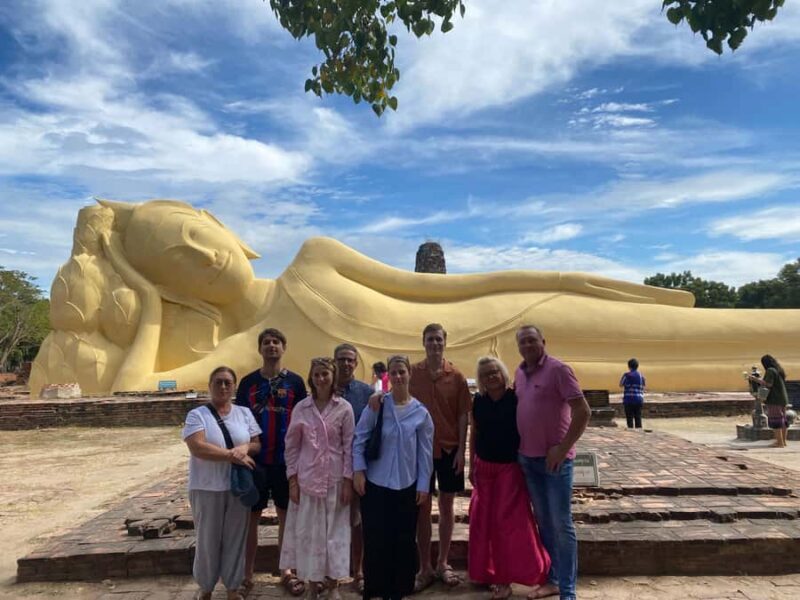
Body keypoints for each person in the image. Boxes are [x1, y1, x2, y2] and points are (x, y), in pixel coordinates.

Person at [36, 199, 800, 396]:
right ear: (179, 292)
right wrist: (138, 301)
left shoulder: (314, 256)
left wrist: (557, 279)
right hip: (473, 373)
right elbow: (141, 386)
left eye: (198, 230)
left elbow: (448, 286)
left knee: (739, 331)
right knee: (690, 365)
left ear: (225, 228)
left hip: (501, 322)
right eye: (183, 264)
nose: (206, 252)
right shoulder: (245, 349)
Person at [515, 325, 591, 600]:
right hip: (528, 459)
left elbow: (583, 411)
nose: (528, 345)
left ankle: (568, 591)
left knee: (561, 524)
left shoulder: (559, 369)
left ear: (543, 342)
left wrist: (563, 448)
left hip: (555, 462)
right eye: (523, 342)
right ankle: (554, 578)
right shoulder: (518, 373)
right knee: (545, 522)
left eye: (532, 340)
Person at [353, 355, 434, 600]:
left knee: (404, 539)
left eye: (402, 372)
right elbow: (360, 439)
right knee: (376, 537)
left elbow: (425, 453)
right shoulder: (377, 405)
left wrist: (423, 484)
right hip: (376, 484)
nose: (398, 377)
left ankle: (398, 590)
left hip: (406, 485)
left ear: (409, 374)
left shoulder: (421, 413)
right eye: (394, 372)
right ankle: (375, 589)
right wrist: (358, 471)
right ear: (388, 375)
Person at [469, 357, 550, 599]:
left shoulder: (516, 398)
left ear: (503, 374)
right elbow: (475, 432)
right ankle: (486, 572)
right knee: (483, 521)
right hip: (484, 467)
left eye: (494, 372)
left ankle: (506, 578)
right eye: (485, 374)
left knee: (506, 523)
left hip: (509, 468)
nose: (491, 377)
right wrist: (471, 463)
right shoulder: (479, 401)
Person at [235, 328, 308, 597]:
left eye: (276, 342)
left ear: (284, 347)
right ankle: (246, 574)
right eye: (266, 342)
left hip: (284, 460)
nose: (271, 346)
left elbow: (304, 420)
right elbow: (239, 419)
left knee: (285, 518)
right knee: (250, 519)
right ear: (260, 349)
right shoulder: (248, 384)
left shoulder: (296, 383)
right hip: (255, 461)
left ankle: (286, 570)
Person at [182, 366, 261, 600]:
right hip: (206, 486)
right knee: (208, 540)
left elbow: (256, 444)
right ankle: (205, 587)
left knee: (236, 538)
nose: (223, 387)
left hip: (237, 487)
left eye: (228, 382)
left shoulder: (244, 413)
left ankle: (232, 587)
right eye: (218, 382)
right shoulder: (198, 415)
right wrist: (231, 455)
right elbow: (197, 446)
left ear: (234, 386)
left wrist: (245, 447)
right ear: (210, 386)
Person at [281, 357, 355, 600]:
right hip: (308, 481)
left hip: (334, 480)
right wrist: (292, 479)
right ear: (311, 378)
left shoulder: (344, 408)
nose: (321, 379)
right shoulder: (302, 408)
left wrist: (347, 480)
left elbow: (349, 446)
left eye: (325, 374)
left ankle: (333, 584)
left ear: (332, 377)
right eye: (317, 375)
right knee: (310, 535)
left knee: (335, 535)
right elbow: (291, 446)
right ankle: (313, 585)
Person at [409, 323, 472, 591]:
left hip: (448, 449)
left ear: (445, 341)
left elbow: (462, 415)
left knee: (447, 505)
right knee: (421, 507)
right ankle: (424, 566)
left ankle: (443, 561)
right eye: (430, 339)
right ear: (423, 342)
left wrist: (462, 450)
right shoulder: (413, 373)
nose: (434, 344)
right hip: (419, 451)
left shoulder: (456, 376)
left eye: (438, 339)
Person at [334, 343, 374, 594]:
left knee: (358, 519)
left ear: (356, 363)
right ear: (334, 361)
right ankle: (332, 570)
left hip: (359, 465)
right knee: (332, 519)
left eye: (350, 360)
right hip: (330, 465)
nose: (346, 364)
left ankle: (359, 570)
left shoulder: (366, 392)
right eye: (341, 359)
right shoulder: (325, 388)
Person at [749, 354, 790, 448]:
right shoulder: (778, 370)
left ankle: (779, 443)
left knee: (776, 420)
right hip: (782, 398)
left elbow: (768, 384)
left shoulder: (770, 371)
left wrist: (755, 379)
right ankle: (783, 442)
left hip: (774, 399)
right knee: (783, 420)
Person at [619, 358, 646, 429]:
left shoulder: (626, 375)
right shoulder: (641, 376)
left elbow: (621, 384)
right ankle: (639, 433)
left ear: (629, 366)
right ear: (637, 366)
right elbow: (643, 385)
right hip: (639, 399)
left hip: (629, 399)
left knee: (629, 418)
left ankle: (631, 433)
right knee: (638, 417)